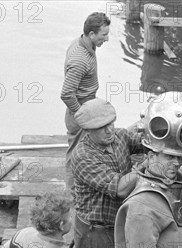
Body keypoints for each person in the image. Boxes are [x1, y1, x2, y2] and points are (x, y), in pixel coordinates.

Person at [71, 98, 143, 248]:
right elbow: (120, 188)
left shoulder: (119, 137)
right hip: (95, 231)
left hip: (118, 224)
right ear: (88, 131)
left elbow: (145, 141)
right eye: (103, 127)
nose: (110, 129)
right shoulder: (83, 156)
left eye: (111, 123)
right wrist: (144, 169)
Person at [61, 12, 111, 192]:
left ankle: (82, 186)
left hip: (87, 105)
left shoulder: (81, 42)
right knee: (75, 154)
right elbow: (66, 94)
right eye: (103, 35)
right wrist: (81, 115)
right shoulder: (80, 59)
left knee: (86, 150)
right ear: (91, 34)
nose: (106, 38)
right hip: (80, 110)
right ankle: (72, 193)